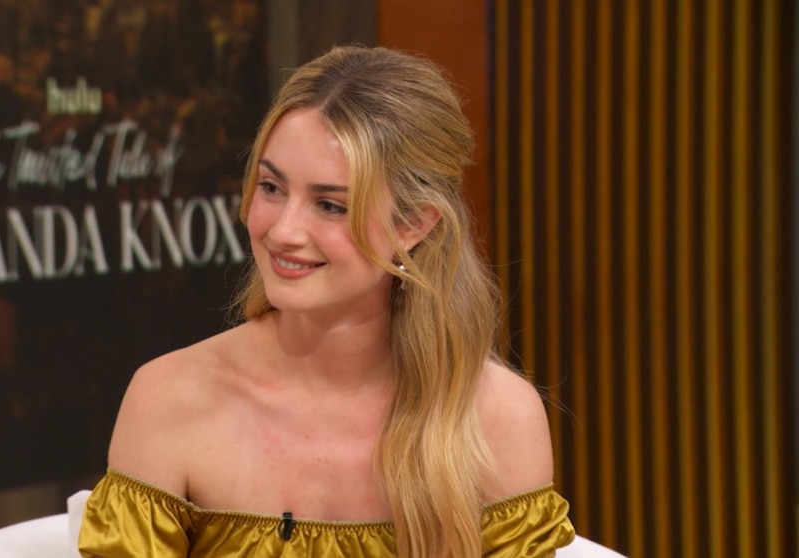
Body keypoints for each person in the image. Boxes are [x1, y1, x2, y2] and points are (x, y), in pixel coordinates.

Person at [78, 45, 575, 557]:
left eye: (331, 205)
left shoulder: (498, 418)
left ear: (413, 224)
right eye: (271, 187)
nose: (283, 231)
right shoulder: (170, 399)